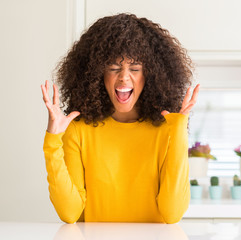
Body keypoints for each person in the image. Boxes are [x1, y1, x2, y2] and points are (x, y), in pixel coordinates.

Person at [41, 13, 200, 224]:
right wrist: (53, 141)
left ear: (150, 75)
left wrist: (179, 130)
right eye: (114, 68)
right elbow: (70, 213)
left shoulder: (167, 130)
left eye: (135, 68)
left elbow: (172, 213)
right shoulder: (79, 130)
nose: (124, 77)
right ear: (97, 74)